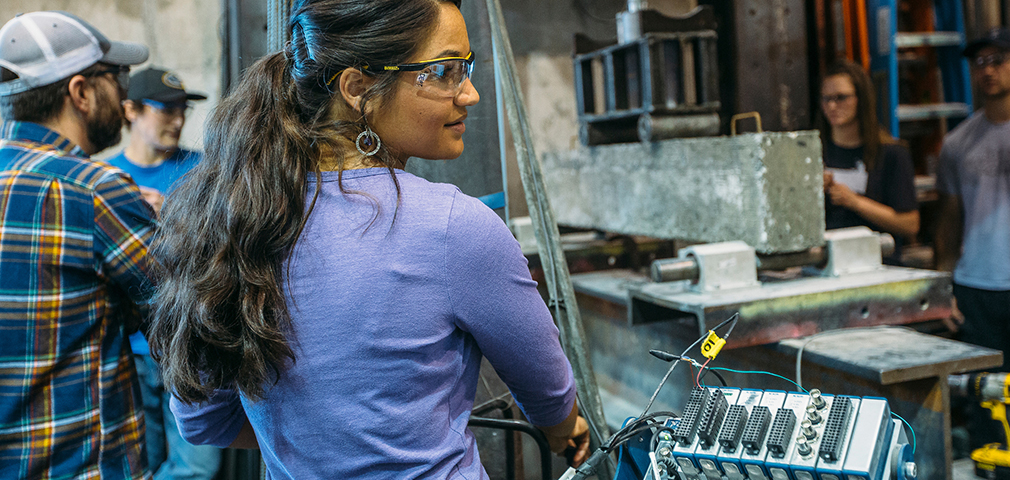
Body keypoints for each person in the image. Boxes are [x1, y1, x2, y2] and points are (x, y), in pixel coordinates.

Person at [148, 0, 590, 478]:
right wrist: (564, 431)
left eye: (465, 68)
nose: (469, 94)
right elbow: (550, 394)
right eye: (443, 71)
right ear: (357, 87)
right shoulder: (454, 226)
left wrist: (317, 445)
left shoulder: (233, 221)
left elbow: (201, 421)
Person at [0, 11, 155, 480]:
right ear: (81, 92)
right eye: (115, 77)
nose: (125, 94)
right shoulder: (94, 190)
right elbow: (187, 312)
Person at [108, 67, 221, 480]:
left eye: (182, 110)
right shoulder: (102, 178)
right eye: (165, 109)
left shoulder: (204, 171)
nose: (177, 120)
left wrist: (171, 217)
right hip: (126, 348)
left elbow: (227, 250)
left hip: (188, 341)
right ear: (131, 110)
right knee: (139, 462)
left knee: (198, 465)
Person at [935, 27, 1010, 374]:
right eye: (980, 62)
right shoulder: (957, 142)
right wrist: (942, 288)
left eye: (998, 60)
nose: (988, 70)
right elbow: (948, 220)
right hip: (976, 285)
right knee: (986, 401)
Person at [818, 60, 919, 263]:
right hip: (827, 267)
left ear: (860, 99)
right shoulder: (813, 154)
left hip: (878, 268)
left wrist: (854, 201)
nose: (832, 106)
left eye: (841, 98)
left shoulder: (891, 155)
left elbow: (910, 224)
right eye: (826, 98)